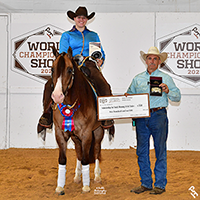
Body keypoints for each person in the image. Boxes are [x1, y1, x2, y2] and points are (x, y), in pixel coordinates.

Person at [37, 6, 114, 135]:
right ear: (74, 19)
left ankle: (107, 115)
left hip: (89, 64)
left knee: (104, 85)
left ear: (87, 19)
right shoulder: (67, 35)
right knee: (49, 84)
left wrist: (101, 59)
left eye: (84, 18)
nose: (81, 20)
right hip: (71, 64)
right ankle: (47, 113)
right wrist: (71, 60)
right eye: (79, 17)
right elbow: (62, 53)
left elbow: (101, 53)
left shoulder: (93, 35)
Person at [125, 47, 181, 195]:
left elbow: (177, 97)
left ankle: (160, 185)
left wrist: (168, 90)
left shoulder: (166, 78)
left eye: (155, 59)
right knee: (141, 151)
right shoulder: (137, 79)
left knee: (160, 150)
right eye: (150, 58)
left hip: (158, 115)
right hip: (142, 118)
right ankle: (146, 183)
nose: (152, 61)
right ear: (145, 61)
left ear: (159, 62)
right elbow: (129, 94)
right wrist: (126, 98)